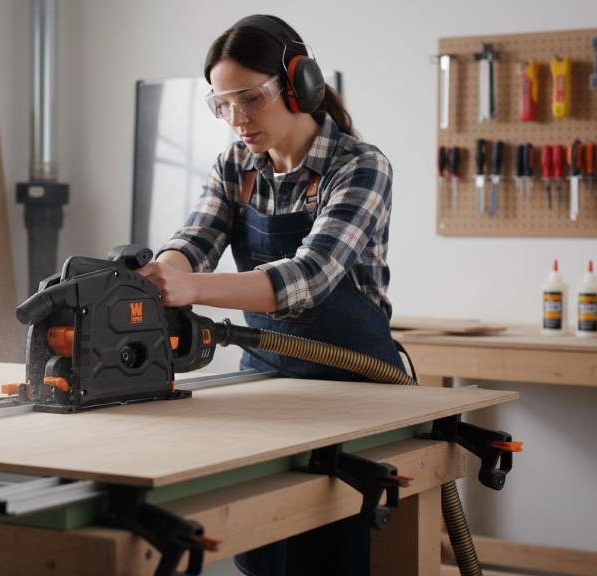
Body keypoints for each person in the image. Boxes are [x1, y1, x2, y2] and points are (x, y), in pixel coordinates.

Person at [137, 14, 404, 575]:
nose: (236, 119)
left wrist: (190, 286)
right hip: (266, 383)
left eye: (249, 100)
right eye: (221, 104)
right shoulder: (235, 166)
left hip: (356, 388)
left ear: (298, 84)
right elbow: (195, 239)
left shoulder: (359, 166)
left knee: (332, 556)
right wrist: (162, 271)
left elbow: (310, 276)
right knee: (265, 555)